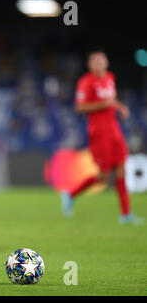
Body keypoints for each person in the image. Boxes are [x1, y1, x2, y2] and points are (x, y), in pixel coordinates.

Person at [60, 50, 143, 225]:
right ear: (90, 65)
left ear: (106, 63)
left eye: (101, 60)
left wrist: (120, 107)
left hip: (115, 131)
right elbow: (80, 107)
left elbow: (111, 100)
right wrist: (103, 104)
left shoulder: (109, 78)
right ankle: (70, 194)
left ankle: (126, 214)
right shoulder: (86, 82)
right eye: (95, 61)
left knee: (122, 169)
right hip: (98, 132)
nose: (98, 63)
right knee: (104, 177)